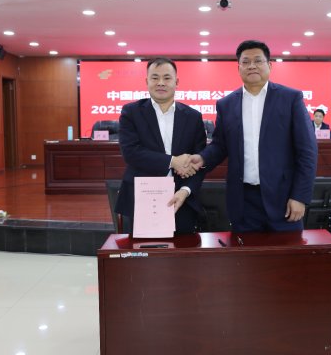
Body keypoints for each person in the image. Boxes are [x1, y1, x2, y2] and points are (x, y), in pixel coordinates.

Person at [188, 40, 317, 232]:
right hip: (243, 200)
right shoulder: (226, 104)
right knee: (245, 251)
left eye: (258, 60)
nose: (252, 66)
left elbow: (307, 151)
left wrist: (300, 196)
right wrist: (202, 158)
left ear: (269, 65)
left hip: (283, 199)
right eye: (246, 62)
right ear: (238, 68)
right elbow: (220, 145)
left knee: (288, 252)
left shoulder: (290, 99)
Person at [115, 58, 206, 234]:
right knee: (144, 249)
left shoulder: (193, 117)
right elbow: (131, 153)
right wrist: (173, 161)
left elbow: (200, 161)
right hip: (143, 197)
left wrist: (185, 190)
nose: (161, 83)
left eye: (167, 78)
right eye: (155, 78)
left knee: (184, 248)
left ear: (176, 82)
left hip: (182, 199)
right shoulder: (131, 112)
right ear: (147, 81)